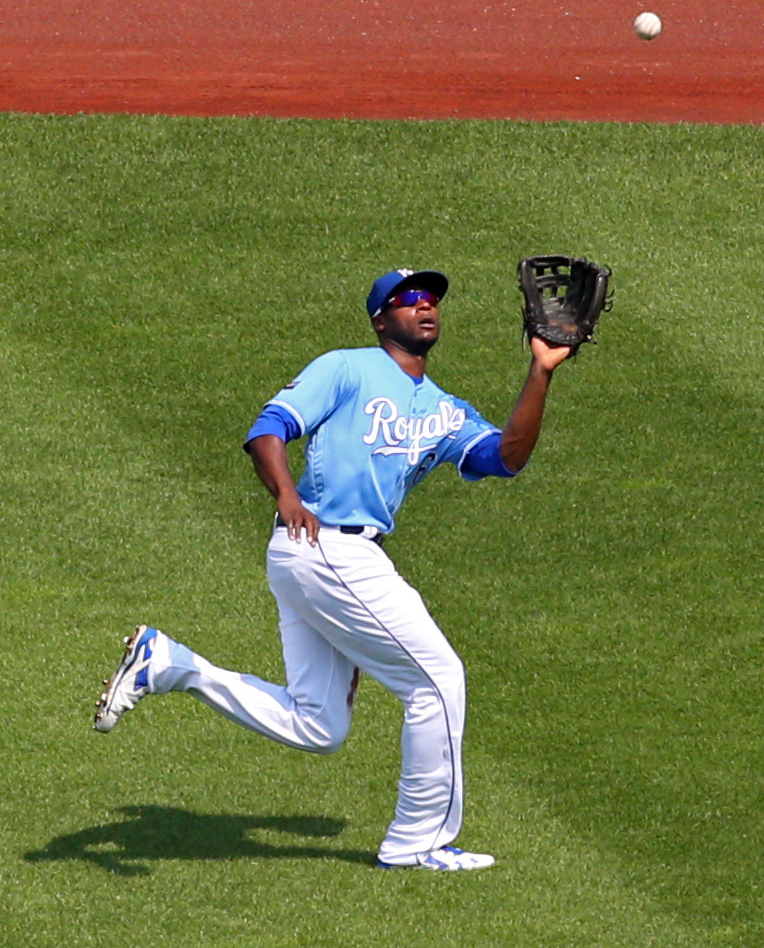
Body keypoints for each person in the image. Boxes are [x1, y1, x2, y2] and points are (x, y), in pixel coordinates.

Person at [94, 266, 571, 871]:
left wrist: (540, 371)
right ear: (381, 320)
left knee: (319, 725)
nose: (424, 308)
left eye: (431, 300)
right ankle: (415, 843)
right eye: (407, 300)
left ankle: (170, 665)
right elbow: (268, 429)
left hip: (329, 557)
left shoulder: (444, 409)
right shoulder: (346, 367)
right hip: (327, 547)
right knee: (437, 680)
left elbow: (505, 459)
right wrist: (286, 496)